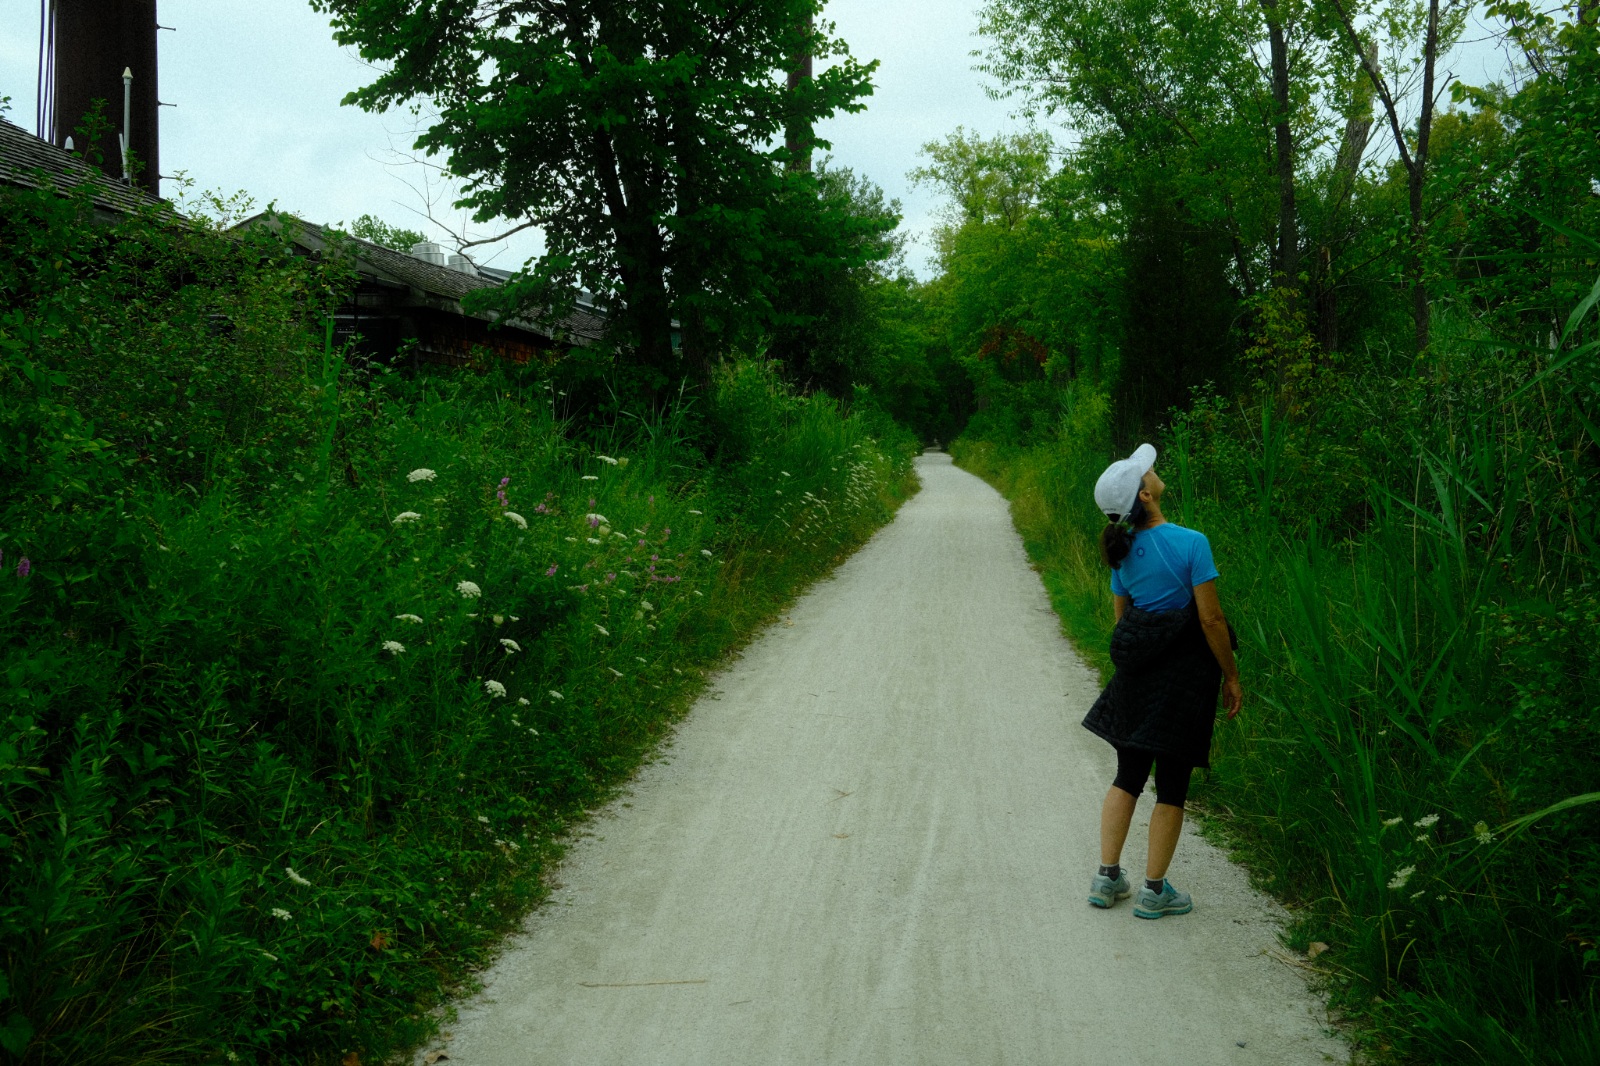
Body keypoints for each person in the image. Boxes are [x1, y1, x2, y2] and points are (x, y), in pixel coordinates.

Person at [1080, 443, 1242, 918]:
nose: (1152, 471)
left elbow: (1123, 621)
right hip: (1185, 680)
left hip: (1137, 677)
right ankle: (1154, 891)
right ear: (1146, 496)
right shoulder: (1192, 543)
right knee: (1171, 786)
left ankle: (1107, 877)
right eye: (1146, 472)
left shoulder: (1123, 550)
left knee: (1127, 775)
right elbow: (1211, 621)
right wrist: (1231, 676)